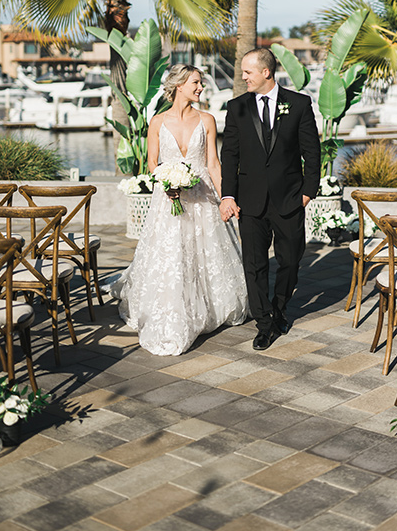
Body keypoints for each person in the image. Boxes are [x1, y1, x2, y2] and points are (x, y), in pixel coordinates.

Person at [107, 63, 249, 356]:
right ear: (179, 85)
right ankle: (175, 312)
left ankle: (209, 308)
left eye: (200, 83)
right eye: (196, 82)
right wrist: (167, 180)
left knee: (204, 253)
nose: (200, 88)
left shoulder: (207, 120)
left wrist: (226, 198)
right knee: (172, 255)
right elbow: (151, 163)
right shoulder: (157, 122)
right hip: (169, 198)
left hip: (203, 197)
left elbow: (213, 165)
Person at [220, 48, 320, 351]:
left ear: (266, 72)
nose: (243, 77)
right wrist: (228, 194)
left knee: (290, 262)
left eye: (248, 72)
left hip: (290, 199)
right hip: (249, 202)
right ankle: (264, 323)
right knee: (254, 265)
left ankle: (280, 308)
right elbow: (230, 154)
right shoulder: (236, 106)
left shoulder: (299, 104)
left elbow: (311, 152)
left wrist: (307, 192)